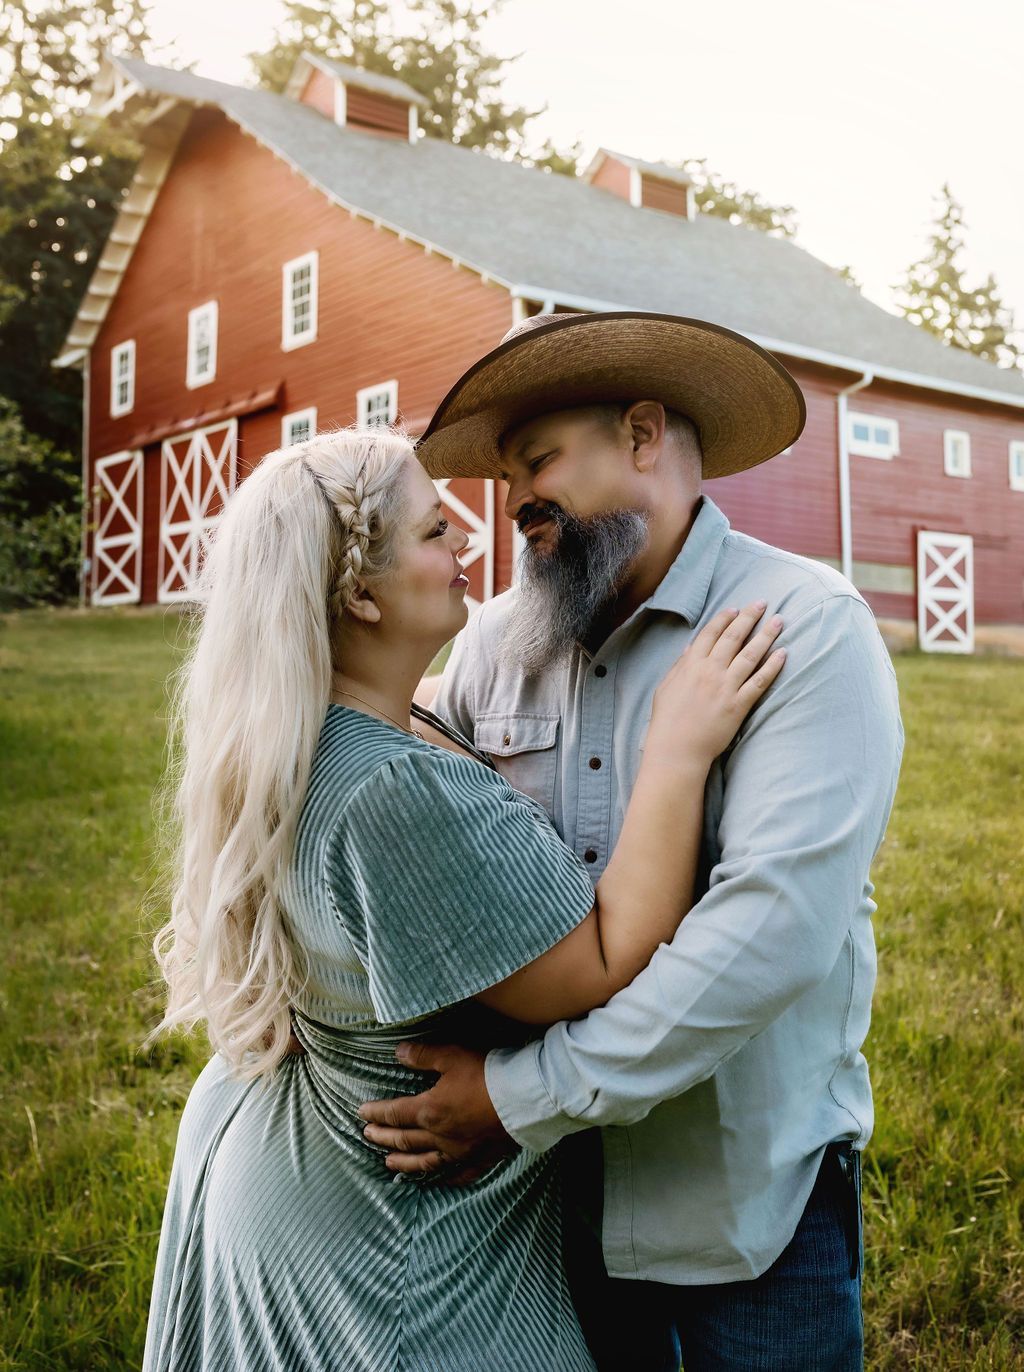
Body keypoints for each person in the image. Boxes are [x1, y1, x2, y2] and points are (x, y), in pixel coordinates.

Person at [142, 421, 786, 1372]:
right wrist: (680, 744)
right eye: (436, 532)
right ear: (359, 592)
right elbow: (604, 961)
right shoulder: (392, 789)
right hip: (397, 1250)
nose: (468, 547)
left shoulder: (316, 728)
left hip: (300, 1174)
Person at [359, 312, 905, 1371]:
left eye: (539, 462)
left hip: (747, 1207)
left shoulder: (805, 629)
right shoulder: (490, 651)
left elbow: (766, 941)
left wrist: (515, 1099)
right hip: (540, 1209)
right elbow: (433, 861)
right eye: (504, 478)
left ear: (644, 433)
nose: (512, 502)